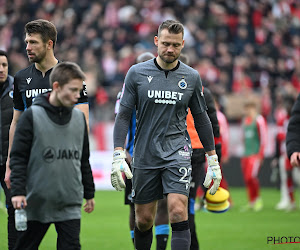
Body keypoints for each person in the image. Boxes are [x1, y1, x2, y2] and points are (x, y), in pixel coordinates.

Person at [111, 20, 221, 250]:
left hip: (178, 152)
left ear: (182, 45)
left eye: (175, 45)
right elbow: (123, 116)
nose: (169, 49)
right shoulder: (136, 73)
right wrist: (118, 153)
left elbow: (202, 118)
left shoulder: (191, 77)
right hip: (144, 154)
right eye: (165, 43)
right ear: (156, 42)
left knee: (178, 211)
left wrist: (213, 159)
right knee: (143, 219)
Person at [10, 62, 95, 250]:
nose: (77, 96)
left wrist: (89, 193)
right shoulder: (31, 116)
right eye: (73, 90)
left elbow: (83, 159)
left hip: (69, 202)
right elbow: (18, 157)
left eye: (79, 91)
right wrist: (18, 191)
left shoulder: (79, 119)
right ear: (56, 86)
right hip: (36, 201)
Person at [5, 19, 89, 189]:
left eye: (33, 42)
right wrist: (10, 162)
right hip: (31, 158)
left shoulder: (70, 76)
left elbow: (83, 122)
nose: (28, 47)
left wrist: (79, 161)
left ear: (49, 44)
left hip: (62, 159)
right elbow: (16, 122)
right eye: (27, 42)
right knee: (23, 214)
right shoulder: (20, 78)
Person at [115, 51, 170, 250]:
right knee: (135, 207)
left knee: (163, 204)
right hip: (135, 156)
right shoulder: (125, 93)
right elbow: (120, 121)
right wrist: (123, 151)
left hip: (163, 156)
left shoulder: (166, 90)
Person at [183, 53, 221, 250]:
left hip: (193, 152)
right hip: (186, 151)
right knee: (179, 205)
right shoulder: (203, 91)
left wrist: (215, 159)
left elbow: (213, 127)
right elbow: (216, 128)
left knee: (184, 205)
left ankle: (191, 246)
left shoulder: (201, 92)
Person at [0, 50, 17, 250]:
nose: (1, 69)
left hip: (10, 162)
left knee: (15, 209)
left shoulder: (17, 88)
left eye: (4, 65)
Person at [241, 100, 267, 211]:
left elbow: (264, 138)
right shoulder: (245, 121)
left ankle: (258, 200)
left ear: (254, 108)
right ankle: (251, 201)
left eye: (249, 108)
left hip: (254, 154)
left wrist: (260, 155)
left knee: (252, 177)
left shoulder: (259, 120)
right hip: (246, 154)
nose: (247, 111)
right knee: (247, 179)